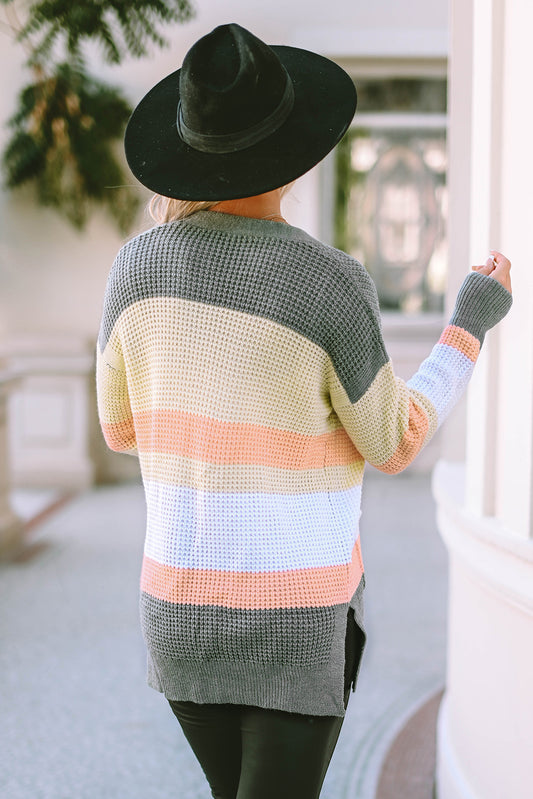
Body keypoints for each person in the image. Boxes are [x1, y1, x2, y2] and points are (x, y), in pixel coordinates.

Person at [96, 22, 512, 799]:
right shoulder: (328, 282)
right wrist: (468, 323)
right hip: (292, 625)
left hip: (177, 616)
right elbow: (393, 443)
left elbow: (121, 428)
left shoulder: (133, 268)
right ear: (293, 151)